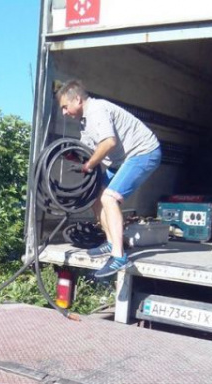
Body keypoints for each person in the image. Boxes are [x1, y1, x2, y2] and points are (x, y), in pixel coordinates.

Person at [57, 80, 162, 278]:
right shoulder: (85, 122)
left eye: (65, 106)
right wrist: (74, 155)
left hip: (143, 152)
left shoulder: (97, 109)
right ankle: (111, 242)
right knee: (96, 196)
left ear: (77, 99)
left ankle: (119, 257)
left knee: (109, 198)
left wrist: (88, 166)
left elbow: (108, 142)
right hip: (123, 159)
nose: (64, 112)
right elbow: (89, 151)